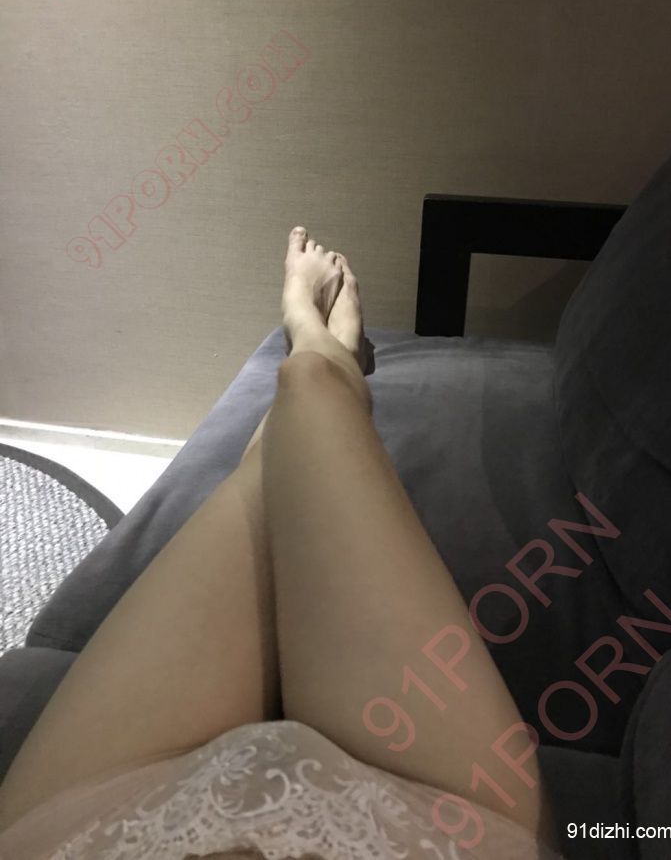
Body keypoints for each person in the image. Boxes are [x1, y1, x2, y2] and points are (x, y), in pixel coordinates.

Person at [0, 227, 563, 859]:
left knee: (271, 456)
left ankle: (319, 350)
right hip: (447, 825)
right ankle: (327, 358)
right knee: (305, 395)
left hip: (86, 830)